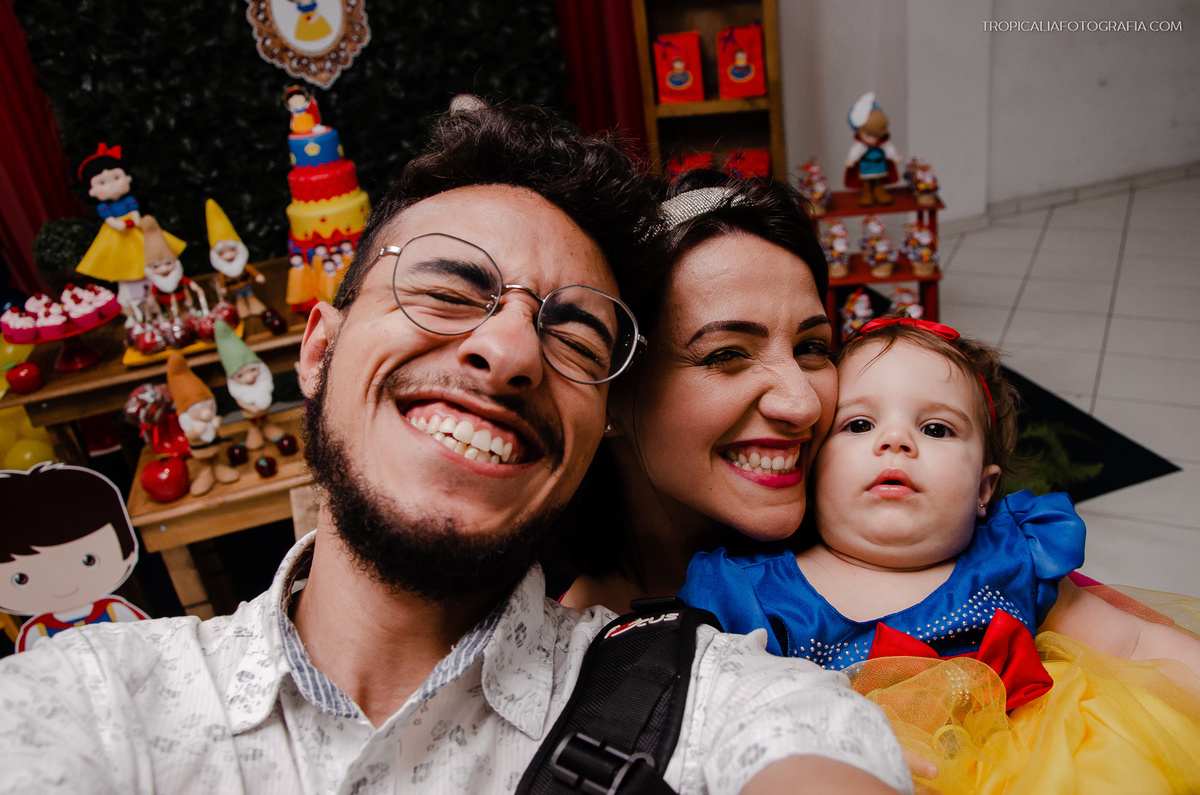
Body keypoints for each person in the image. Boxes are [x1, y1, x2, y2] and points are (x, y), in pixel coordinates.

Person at [0, 103, 909, 794]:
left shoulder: (713, 690)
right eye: (445, 289)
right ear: (317, 350)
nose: (510, 349)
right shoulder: (90, 702)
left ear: (598, 425)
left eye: (577, 338)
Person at [681, 316, 1200, 792]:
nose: (896, 441)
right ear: (810, 469)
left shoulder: (1010, 560)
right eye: (858, 425)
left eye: (936, 429)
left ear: (983, 490)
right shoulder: (757, 594)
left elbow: (1131, 644)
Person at [557, 168, 838, 617]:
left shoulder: (913, 559)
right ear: (608, 390)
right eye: (726, 354)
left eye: (811, 348)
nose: (802, 404)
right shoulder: (544, 651)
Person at [0, 463, 148, 653]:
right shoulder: (36, 634)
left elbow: (153, 642)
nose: (62, 585)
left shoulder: (115, 611)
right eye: (21, 579)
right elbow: (38, 673)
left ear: (126, 552)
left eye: (89, 560)